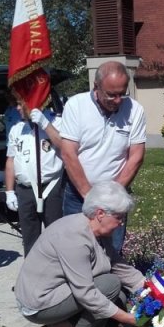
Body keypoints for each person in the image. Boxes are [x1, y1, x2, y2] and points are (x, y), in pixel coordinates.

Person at [14, 181, 144, 327]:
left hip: (57, 293)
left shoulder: (96, 230)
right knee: (109, 286)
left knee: (119, 297)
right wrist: (128, 319)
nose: (121, 223)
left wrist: (153, 289)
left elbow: (118, 266)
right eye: (119, 217)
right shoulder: (74, 237)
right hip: (39, 303)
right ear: (100, 214)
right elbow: (86, 293)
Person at [61, 61, 147, 254]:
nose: (117, 100)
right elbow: (68, 153)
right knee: (75, 251)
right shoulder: (76, 105)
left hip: (115, 195)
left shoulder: (135, 110)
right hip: (78, 195)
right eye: (111, 95)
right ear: (96, 87)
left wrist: (111, 194)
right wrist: (89, 195)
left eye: (122, 94)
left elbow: (136, 156)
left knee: (111, 253)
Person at [4, 104, 64, 255]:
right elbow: (11, 160)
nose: (17, 108)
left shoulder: (56, 122)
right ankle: (32, 268)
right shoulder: (17, 129)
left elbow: (64, 145)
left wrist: (45, 124)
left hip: (51, 188)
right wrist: (9, 191)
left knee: (57, 235)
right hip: (25, 190)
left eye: (21, 104)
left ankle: (57, 267)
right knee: (29, 237)